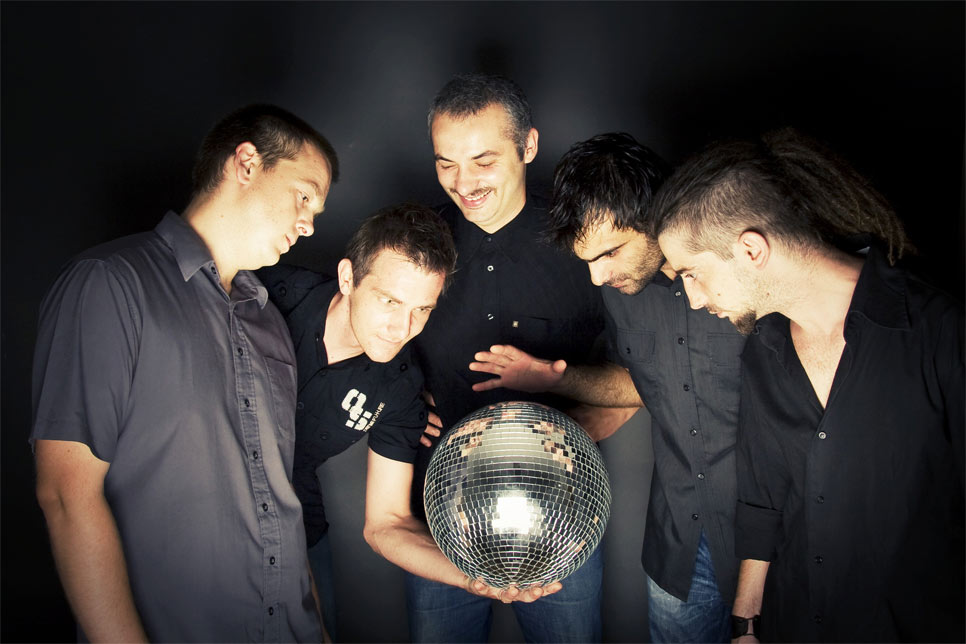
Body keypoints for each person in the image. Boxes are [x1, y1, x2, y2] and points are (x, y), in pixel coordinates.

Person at [31, 104, 336, 642]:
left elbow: (278, 496)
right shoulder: (110, 285)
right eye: (304, 196)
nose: (309, 224)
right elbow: (65, 495)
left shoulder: (270, 323)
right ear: (247, 163)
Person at [653, 128, 965, 642]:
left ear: (751, 249)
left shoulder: (940, 333)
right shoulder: (763, 349)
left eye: (691, 273)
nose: (693, 298)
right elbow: (763, 502)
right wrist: (745, 624)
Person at [469, 132, 743, 643]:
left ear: (655, 213)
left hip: (769, 537)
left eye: (611, 253)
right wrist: (556, 377)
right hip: (680, 541)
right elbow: (640, 384)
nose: (597, 277)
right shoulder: (622, 289)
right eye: (587, 260)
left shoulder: (741, 268)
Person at [403, 73, 612, 643]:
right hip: (441, 514)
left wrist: (576, 437)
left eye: (483, 161)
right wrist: (400, 405)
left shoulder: (586, 242)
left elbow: (641, 372)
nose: (463, 183)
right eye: (446, 163)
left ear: (529, 146)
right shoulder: (415, 244)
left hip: (565, 515)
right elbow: (374, 343)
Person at [256, 203, 457, 640]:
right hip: (211, 508)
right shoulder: (266, 293)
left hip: (300, 525)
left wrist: (476, 578)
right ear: (348, 278)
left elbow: (386, 523)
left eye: (422, 309)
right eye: (390, 301)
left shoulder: (401, 388)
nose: (402, 328)